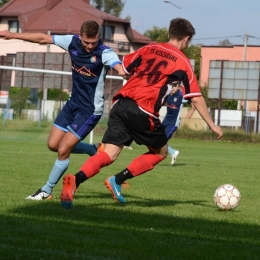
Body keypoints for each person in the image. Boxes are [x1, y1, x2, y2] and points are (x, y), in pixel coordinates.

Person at [59, 17, 223, 208]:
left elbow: (125, 69)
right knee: (161, 152)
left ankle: (75, 180)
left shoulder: (148, 48)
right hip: (143, 110)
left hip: (121, 104)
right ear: (186, 39)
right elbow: (195, 97)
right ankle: (117, 180)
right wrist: (212, 125)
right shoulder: (183, 62)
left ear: (169, 33)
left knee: (109, 154)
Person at [0, 21, 125, 200]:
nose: (90, 46)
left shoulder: (104, 52)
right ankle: (92, 149)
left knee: (64, 149)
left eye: (94, 42)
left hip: (90, 111)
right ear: (80, 36)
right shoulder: (71, 41)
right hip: (72, 104)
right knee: (53, 145)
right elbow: (43, 38)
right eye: (86, 42)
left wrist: (122, 70)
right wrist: (13, 35)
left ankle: (46, 190)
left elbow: (117, 65)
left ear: (99, 38)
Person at [162, 82, 195, 165]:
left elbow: (193, 101)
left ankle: (173, 152)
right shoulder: (168, 94)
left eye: (174, 86)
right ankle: (173, 152)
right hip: (165, 121)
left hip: (173, 123)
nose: (172, 88)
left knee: (161, 141)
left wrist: (192, 111)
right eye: (171, 86)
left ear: (178, 87)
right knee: (157, 138)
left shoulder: (181, 96)